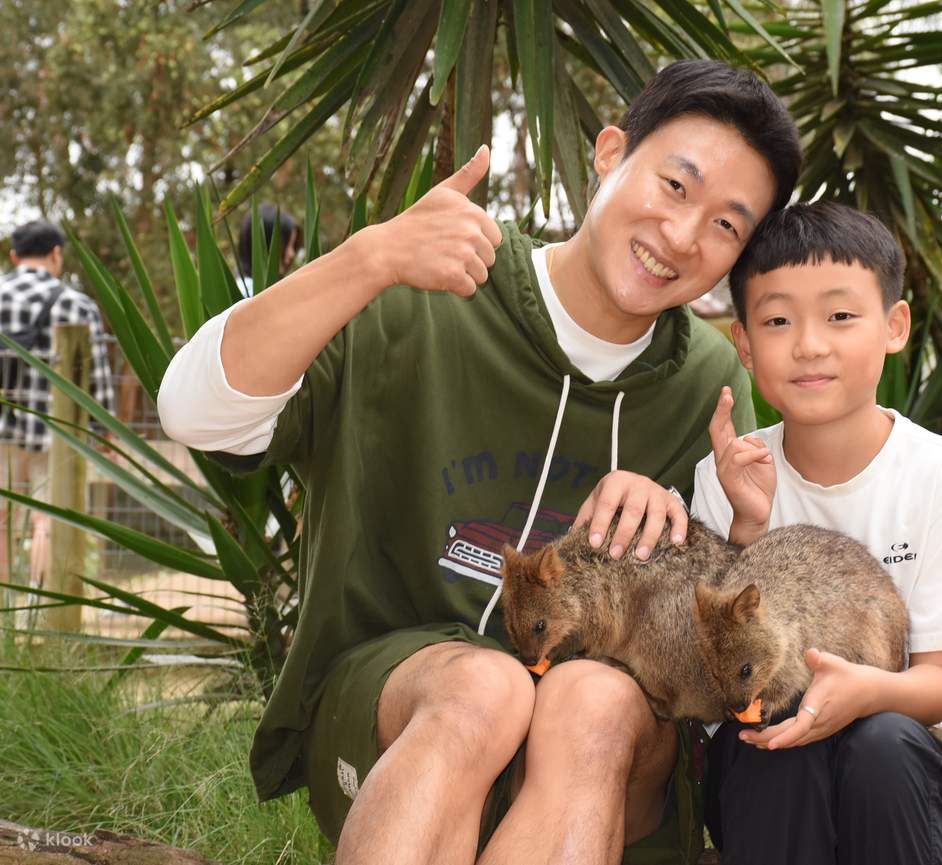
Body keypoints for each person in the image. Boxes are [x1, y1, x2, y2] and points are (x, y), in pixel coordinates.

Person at [156, 60, 801, 864]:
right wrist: (368, 259)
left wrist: (680, 534)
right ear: (610, 152)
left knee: (593, 698)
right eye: (674, 186)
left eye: (725, 226)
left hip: (604, 762)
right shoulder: (429, 282)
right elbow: (192, 412)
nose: (681, 236)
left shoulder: (706, 381)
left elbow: (722, 627)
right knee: (483, 688)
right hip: (400, 715)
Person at [691, 202, 942, 865]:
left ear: (894, 326)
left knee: (878, 742)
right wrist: (746, 524)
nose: (809, 344)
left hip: (922, 763)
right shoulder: (724, 476)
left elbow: (939, 688)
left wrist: (863, 693)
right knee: (769, 730)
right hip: (773, 765)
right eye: (778, 321)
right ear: (744, 343)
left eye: (839, 316)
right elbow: (716, 679)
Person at [0, 220, 116, 585]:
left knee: (1, 518)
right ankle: (41, 599)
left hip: (2, 426)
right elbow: (97, 373)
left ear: (14, 256)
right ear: (55, 254)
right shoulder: (76, 304)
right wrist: (105, 429)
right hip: (55, 430)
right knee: (46, 518)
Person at [235, 204, 301, 298]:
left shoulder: (273, 291)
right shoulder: (245, 295)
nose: (292, 254)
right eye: (287, 245)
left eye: (293, 246)